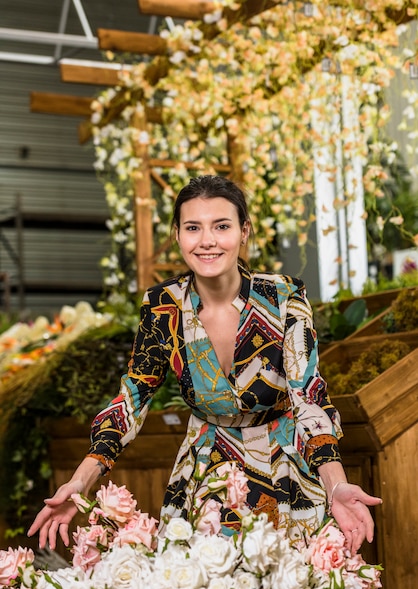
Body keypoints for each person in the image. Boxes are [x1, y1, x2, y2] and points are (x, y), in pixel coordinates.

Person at [28, 175, 381, 554]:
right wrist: (80, 482)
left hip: (286, 466)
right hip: (206, 468)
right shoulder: (163, 306)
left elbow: (307, 395)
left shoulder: (284, 298)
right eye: (193, 227)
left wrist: (337, 484)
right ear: (178, 234)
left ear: (244, 231)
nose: (207, 240)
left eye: (222, 226)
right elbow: (133, 397)